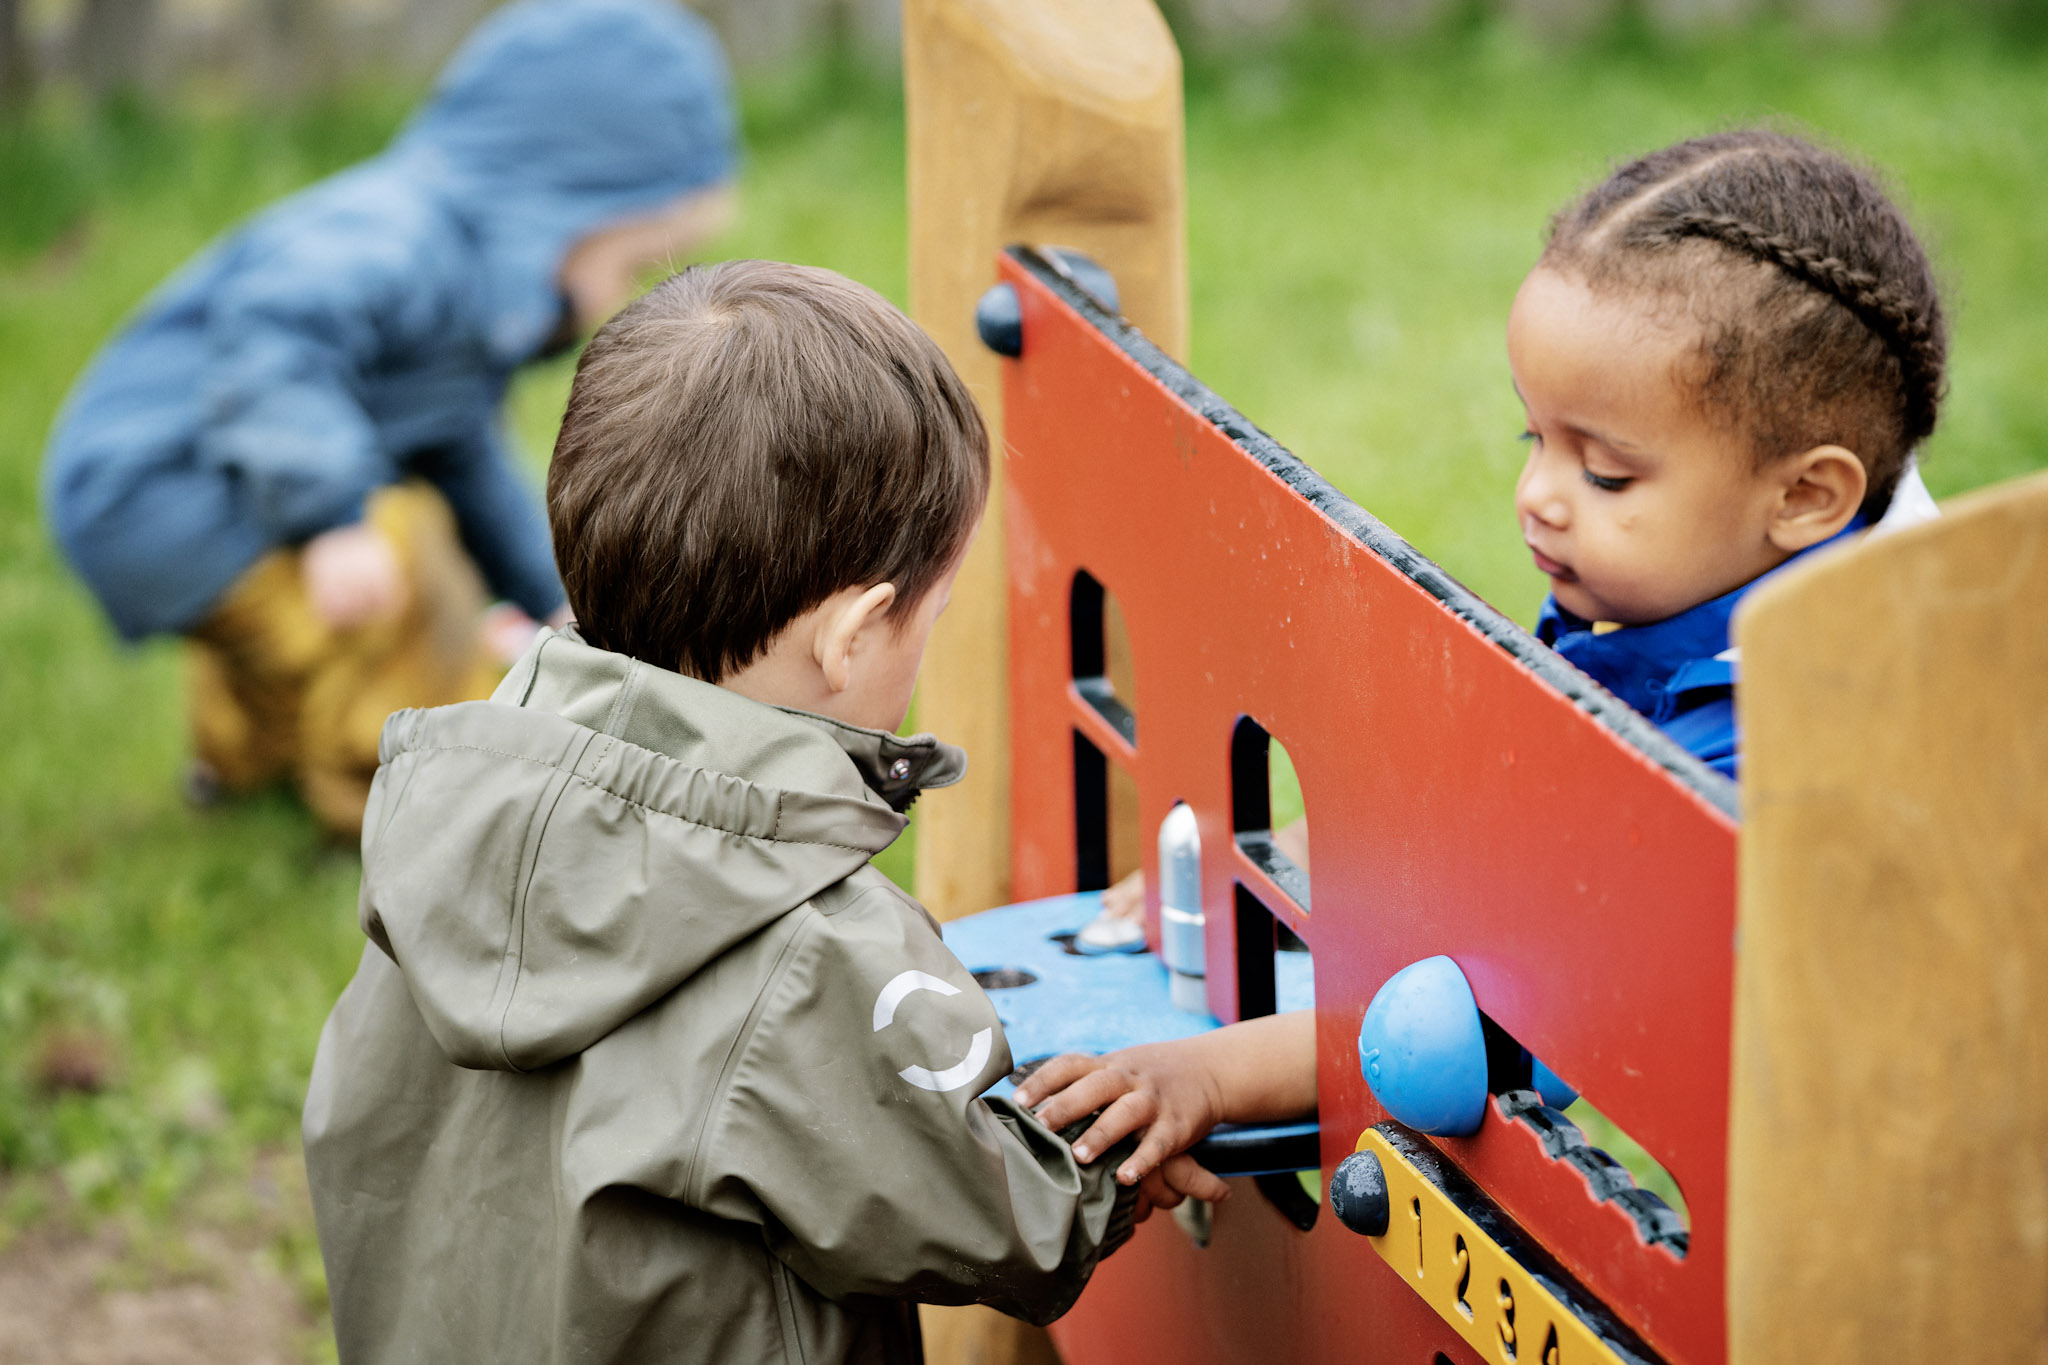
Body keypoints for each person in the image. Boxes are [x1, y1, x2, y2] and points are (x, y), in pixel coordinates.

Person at [301, 261, 1228, 1365]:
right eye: (928, 611)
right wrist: (1122, 1151)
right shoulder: (806, 947)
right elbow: (1008, 1223)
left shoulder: (456, 823)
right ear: (852, 635)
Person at [1027, 127, 1951, 1184]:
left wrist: (1204, 1078)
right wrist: (1260, 887)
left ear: (1802, 497)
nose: (1539, 498)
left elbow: (1493, 1023)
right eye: (1533, 440)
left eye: (1604, 474)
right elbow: (1493, 827)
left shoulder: (1775, 742)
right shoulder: (1679, 593)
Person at [42, 0, 739, 837]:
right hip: (154, 484)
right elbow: (275, 329)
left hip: (177, 492)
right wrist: (332, 515)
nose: (617, 300)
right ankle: (393, 806)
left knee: (288, 615)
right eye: (626, 264)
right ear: (554, 211)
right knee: (402, 557)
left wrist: (554, 599)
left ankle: (240, 762)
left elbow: (464, 454)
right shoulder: (400, 237)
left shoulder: (462, 291)